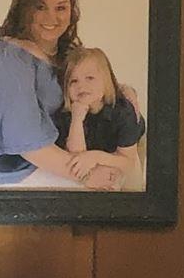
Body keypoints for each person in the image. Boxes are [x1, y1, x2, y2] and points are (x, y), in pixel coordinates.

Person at [0, 0, 123, 188]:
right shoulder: (9, 57)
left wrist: (126, 91)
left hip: (67, 156)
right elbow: (25, 138)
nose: (52, 17)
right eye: (40, 7)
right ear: (25, 9)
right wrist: (86, 175)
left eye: (61, 8)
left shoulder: (66, 55)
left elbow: (97, 84)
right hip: (14, 169)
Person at [56, 44, 148, 192]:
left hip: (126, 148)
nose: (81, 86)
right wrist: (77, 119)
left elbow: (127, 162)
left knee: (132, 186)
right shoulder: (68, 113)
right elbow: (77, 156)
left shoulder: (123, 111)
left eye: (90, 78)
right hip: (95, 147)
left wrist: (96, 157)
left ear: (106, 81)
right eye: (74, 81)